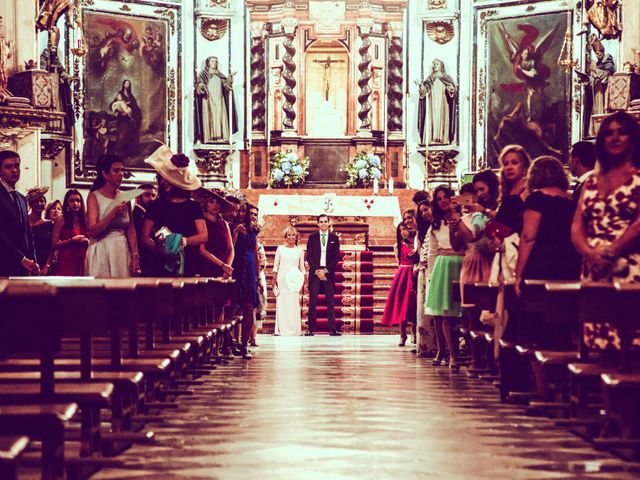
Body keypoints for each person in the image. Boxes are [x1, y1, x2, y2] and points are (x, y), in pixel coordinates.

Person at [572, 111, 640, 350]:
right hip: (595, 267)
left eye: (622, 132)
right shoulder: (591, 181)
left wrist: (611, 251)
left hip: (629, 266)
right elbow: (577, 225)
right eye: (609, 133)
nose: (615, 138)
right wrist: (590, 254)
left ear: (633, 139)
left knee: (630, 343)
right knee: (599, 342)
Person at [143, 148, 207, 277]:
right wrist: (162, 250)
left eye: (166, 179)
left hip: (187, 261)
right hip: (159, 263)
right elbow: (144, 237)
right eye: (161, 178)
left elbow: (203, 236)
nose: (162, 182)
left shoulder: (193, 206)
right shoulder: (156, 205)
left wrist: (181, 241)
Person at [425, 185, 465, 371]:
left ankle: (457, 352)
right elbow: (433, 251)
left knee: (458, 312)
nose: (443, 201)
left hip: (461, 262)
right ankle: (445, 352)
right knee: (441, 314)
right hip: (443, 265)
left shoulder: (463, 217)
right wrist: (431, 275)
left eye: (445, 197)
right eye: (439, 199)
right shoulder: (436, 223)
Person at [85, 154, 139, 278]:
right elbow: (92, 231)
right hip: (102, 248)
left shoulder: (125, 196)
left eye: (122, 170)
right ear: (104, 174)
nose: (121, 174)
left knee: (122, 293)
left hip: (121, 248)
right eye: (116, 170)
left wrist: (135, 255)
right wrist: (112, 214)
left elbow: (131, 229)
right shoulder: (94, 197)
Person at [199, 189, 234, 325]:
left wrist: (228, 267)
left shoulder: (224, 223)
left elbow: (231, 249)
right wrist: (222, 265)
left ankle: (219, 344)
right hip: (208, 267)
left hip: (224, 270)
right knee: (207, 309)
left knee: (221, 308)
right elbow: (202, 250)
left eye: (217, 202)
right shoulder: (202, 222)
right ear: (206, 205)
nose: (215, 205)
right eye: (211, 202)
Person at [0, 150, 38, 276]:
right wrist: (22, 259)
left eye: (16, 166)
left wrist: (33, 261)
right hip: (4, 265)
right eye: (8, 167)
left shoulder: (21, 198)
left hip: (23, 268)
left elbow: (27, 233)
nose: (14, 170)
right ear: (0, 170)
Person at [381, 222, 418, 346]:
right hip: (403, 274)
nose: (403, 232)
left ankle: (414, 332)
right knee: (402, 304)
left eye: (405, 229)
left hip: (415, 272)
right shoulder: (398, 245)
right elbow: (399, 262)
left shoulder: (417, 242)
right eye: (400, 230)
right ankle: (402, 334)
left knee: (413, 304)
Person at [232, 204, 260, 358]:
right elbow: (231, 247)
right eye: (240, 210)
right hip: (236, 267)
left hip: (249, 271)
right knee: (235, 308)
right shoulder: (231, 226)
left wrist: (258, 276)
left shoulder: (253, 230)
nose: (242, 213)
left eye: (245, 210)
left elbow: (255, 254)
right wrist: (236, 232)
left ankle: (244, 344)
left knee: (249, 307)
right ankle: (231, 342)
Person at [306, 214, 341, 336]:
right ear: (318, 224)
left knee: (330, 302)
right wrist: (318, 271)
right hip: (315, 273)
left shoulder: (334, 238)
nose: (323, 224)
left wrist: (325, 270)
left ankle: (332, 329)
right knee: (313, 302)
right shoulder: (312, 237)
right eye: (321, 222)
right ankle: (311, 329)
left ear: (329, 222)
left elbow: (336, 257)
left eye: (325, 221)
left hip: (328, 273)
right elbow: (309, 256)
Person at [195, 56, 237, 143]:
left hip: (219, 99)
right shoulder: (203, 75)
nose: (215, 63)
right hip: (208, 99)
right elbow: (198, 87)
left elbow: (227, 85)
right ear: (208, 63)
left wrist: (230, 77)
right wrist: (201, 86)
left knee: (220, 116)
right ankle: (210, 137)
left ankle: (222, 137)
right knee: (209, 117)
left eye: (216, 61)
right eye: (213, 61)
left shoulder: (219, 74)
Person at [272, 226, 305, 337]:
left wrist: (304, 280)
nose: (291, 237)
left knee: (293, 304)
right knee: (282, 304)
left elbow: (302, 268)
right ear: (286, 237)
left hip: (294, 281)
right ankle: (281, 330)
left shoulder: (300, 251)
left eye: (293, 235)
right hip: (282, 279)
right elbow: (276, 266)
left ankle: (294, 330)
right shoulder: (280, 249)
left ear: (296, 237)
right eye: (289, 235)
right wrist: (274, 279)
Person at [417, 59, 457, 145]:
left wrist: (451, 89)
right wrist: (420, 85)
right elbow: (424, 91)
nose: (435, 66)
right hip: (432, 103)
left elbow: (451, 89)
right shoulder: (430, 78)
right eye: (434, 64)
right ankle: (431, 138)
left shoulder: (446, 77)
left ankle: (443, 139)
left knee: (442, 118)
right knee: (432, 119)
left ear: (441, 66)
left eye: (437, 64)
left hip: (443, 103)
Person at [51, 189, 89, 276]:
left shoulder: (85, 219)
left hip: (84, 258)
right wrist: (72, 240)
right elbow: (54, 244)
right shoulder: (61, 219)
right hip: (67, 258)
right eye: (72, 201)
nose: (75, 204)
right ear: (67, 203)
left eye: (78, 200)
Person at [26, 186, 54, 274]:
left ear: (45, 204)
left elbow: (52, 248)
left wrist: (46, 267)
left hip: (44, 267)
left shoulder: (50, 224)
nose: (39, 203)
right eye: (35, 201)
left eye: (41, 201)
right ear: (30, 204)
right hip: (27, 265)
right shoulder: (24, 222)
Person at [132, 183, 159, 275]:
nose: (151, 198)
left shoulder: (148, 215)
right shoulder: (136, 215)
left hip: (150, 260)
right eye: (147, 195)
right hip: (143, 259)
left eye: (153, 195)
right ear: (137, 197)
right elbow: (141, 239)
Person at [111, 79, 142, 157]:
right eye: (126, 83)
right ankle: (118, 153)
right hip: (122, 119)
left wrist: (136, 111)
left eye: (129, 84)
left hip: (129, 119)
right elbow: (113, 104)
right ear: (123, 84)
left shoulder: (130, 95)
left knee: (130, 135)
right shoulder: (120, 94)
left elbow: (134, 106)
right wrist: (119, 109)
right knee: (122, 135)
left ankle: (128, 154)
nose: (127, 85)